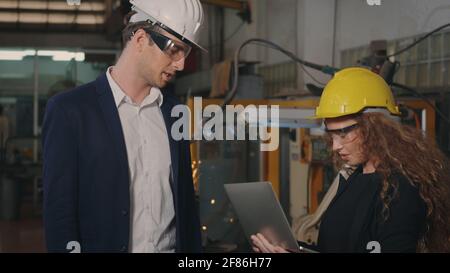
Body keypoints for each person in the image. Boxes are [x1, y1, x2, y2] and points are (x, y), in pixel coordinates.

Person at [42, 0, 206, 253]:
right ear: (140, 39)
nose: (181, 64)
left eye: (186, 52)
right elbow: (59, 215)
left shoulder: (176, 113)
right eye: (174, 49)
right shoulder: (69, 111)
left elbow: (186, 208)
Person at [252, 67, 450, 253]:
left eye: (344, 133)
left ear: (377, 127)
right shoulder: (351, 178)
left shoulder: (403, 190)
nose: (336, 145)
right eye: (332, 135)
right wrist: (289, 248)